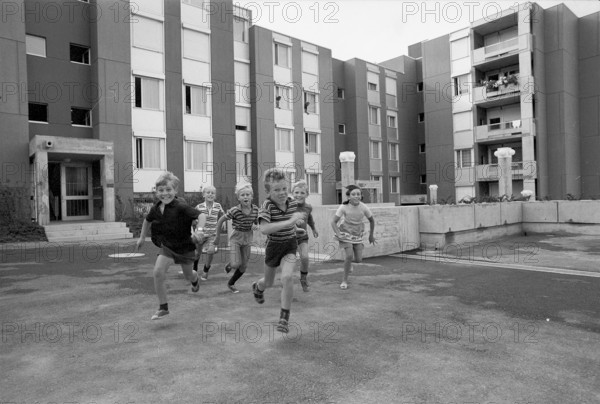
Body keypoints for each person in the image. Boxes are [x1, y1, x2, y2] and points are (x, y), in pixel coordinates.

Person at [136, 172, 204, 320]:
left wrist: (199, 231)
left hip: (185, 247)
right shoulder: (156, 208)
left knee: (188, 275)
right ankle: (163, 307)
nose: (164, 193)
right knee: (158, 272)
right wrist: (142, 237)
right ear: (156, 192)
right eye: (161, 190)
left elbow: (201, 216)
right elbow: (147, 221)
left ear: (175, 191)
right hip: (167, 247)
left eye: (168, 190)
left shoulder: (180, 206)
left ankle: (195, 279)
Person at [252, 168, 305, 333]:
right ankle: (258, 287)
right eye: (277, 190)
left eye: (284, 188)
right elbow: (265, 229)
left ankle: (284, 318)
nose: (282, 193)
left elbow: (292, 221)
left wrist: (296, 229)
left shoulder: (292, 203)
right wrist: (290, 222)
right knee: (268, 282)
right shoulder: (266, 206)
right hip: (273, 248)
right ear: (268, 191)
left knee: (287, 277)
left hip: (289, 245)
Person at [214, 183, 259, 293]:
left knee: (243, 267)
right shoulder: (235, 210)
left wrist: (256, 226)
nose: (245, 197)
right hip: (236, 238)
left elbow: (258, 222)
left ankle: (231, 283)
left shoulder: (256, 210)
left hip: (248, 238)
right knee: (235, 264)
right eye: (242, 195)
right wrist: (217, 236)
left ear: (251, 196)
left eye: (247, 194)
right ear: (238, 198)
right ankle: (230, 264)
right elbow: (220, 220)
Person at [331, 184, 376, 290]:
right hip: (345, 232)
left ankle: (349, 262)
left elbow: (372, 220)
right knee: (349, 255)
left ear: (361, 196)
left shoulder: (364, 207)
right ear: (348, 197)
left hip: (357, 234)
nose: (356, 196)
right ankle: (344, 280)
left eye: (358, 194)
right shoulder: (343, 207)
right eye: (354, 194)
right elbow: (333, 222)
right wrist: (338, 233)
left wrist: (371, 235)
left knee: (359, 260)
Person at [291, 180, 318, 292]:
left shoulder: (308, 207)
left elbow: (309, 218)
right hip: (289, 238)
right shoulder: (288, 206)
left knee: (305, 257)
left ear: (307, 194)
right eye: (296, 192)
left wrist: (313, 228)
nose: (299, 195)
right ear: (292, 193)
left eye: (302, 193)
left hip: (303, 237)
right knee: (290, 262)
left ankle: (303, 278)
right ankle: (286, 280)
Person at [193, 185, 224, 280]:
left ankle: (206, 269)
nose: (210, 194)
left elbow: (223, 214)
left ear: (215, 195)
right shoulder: (199, 207)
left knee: (210, 251)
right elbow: (193, 218)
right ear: (204, 195)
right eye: (208, 192)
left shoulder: (218, 206)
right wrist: (196, 225)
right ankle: (194, 268)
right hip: (201, 235)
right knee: (197, 253)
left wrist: (221, 223)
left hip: (212, 234)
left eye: (213, 193)